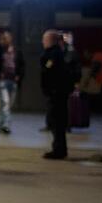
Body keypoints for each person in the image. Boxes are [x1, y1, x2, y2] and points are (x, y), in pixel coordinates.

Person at [40, 29, 72, 159]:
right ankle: (59, 148)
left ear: (50, 40)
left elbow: (49, 71)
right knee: (57, 122)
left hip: (56, 94)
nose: (42, 42)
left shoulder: (53, 54)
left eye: (44, 39)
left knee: (56, 122)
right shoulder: (59, 52)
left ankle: (58, 150)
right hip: (58, 93)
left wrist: (50, 89)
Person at [0, 30, 24, 134]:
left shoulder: (17, 52)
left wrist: (19, 76)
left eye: (5, 38)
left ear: (10, 38)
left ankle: (2, 124)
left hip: (13, 81)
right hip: (1, 81)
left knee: (8, 105)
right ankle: (6, 125)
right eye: (1, 39)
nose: (3, 41)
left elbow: (22, 66)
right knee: (5, 103)